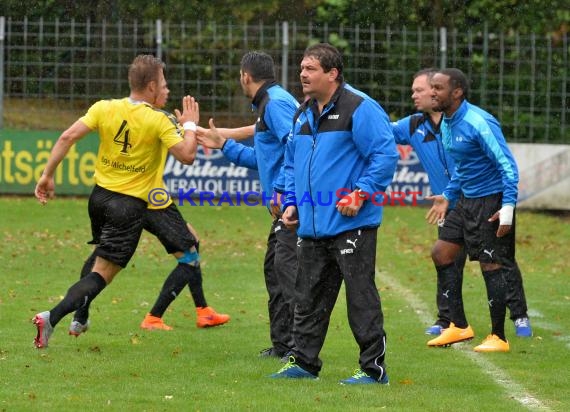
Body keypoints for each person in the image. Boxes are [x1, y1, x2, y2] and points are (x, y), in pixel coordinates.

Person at [32, 54, 200, 348]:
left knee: (101, 257)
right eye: (163, 84)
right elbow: (187, 155)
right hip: (128, 206)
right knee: (102, 274)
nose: (167, 89)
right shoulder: (157, 119)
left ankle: (80, 317)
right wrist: (190, 126)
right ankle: (52, 317)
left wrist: (47, 175)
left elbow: (67, 137)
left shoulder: (104, 107)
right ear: (150, 86)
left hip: (98, 198)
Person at [270, 43, 398, 384]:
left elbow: (384, 155)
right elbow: (292, 162)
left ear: (332, 74)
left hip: (351, 225)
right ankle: (304, 364)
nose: (302, 74)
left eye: (310, 69)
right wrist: (292, 200)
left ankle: (374, 370)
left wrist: (361, 193)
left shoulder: (360, 107)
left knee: (360, 298)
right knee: (308, 299)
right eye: (301, 68)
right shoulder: (302, 112)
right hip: (312, 227)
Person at [391, 69, 532, 338]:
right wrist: (448, 196)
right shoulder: (442, 122)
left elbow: (508, 166)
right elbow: (463, 168)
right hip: (462, 200)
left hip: (491, 200)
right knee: (443, 253)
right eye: (428, 88)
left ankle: (504, 331)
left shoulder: (480, 122)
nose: (430, 93)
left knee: (495, 263)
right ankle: (456, 324)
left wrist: (508, 207)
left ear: (456, 92)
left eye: (436, 88)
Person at [196, 51, 299, 361]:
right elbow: (263, 159)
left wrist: (282, 190)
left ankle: (299, 349)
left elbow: (296, 144)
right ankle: (284, 345)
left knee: (287, 272)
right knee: (276, 270)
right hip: (288, 205)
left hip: (295, 206)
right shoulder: (272, 102)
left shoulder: (276, 103)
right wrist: (225, 146)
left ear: (245, 76)